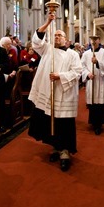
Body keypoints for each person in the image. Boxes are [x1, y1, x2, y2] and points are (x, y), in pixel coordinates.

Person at [28, 13, 82, 171]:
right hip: (48, 92)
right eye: (56, 34)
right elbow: (36, 40)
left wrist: (60, 76)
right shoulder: (46, 49)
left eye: (61, 35)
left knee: (64, 123)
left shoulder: (73, 54)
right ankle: (56, 147)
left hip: (64, 94)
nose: (58, 36)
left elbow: (77, 72)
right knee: (50, 121)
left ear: (66, 40)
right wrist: (48, 22)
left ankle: (65, 151)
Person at [81, 35, 104, 135]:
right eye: (92, 40)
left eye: (96, 39)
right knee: (92, 103)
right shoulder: (86, 54)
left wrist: (98, 62)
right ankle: (93, 122)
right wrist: (87, 74)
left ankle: (99, 124)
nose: (93, 41)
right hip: (91, 80)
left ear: (99, 40)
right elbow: (82, 66)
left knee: (100, 104)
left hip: (101, 80)